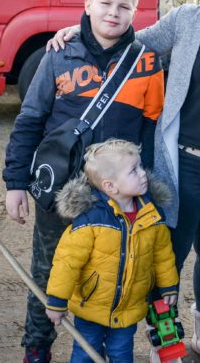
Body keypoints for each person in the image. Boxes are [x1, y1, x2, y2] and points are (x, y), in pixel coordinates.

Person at [48, 0, 200, 363]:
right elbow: (128, 41)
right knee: (168, 257)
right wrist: (82, 29)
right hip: (182, 164)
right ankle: (166, 344)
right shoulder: (186, 20)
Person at [3, 0, 165, 363]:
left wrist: (147, 190)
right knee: (48, 272)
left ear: (135, 12)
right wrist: (15, 182)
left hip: (116, 193)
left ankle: (109, 349)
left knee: (117, 271)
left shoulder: (147, 62)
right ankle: (37, 349)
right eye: (105, 3)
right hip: (60, 189)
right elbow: (30, 119)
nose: (114, 13)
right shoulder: (58, 53)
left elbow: (151, 134)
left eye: (124, 6)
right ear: (88, 5)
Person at [45, 139, 179, 363]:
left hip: (129, 307)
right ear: (110, 186)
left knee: (121, 354)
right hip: (91, 305)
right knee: (85, 353)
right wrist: (57, 301)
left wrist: (168, 286)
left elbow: (163, 256)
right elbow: (67, 263)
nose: (143, 173)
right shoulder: (90, 222)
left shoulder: (151, 216)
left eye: (141, 166)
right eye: (133, 171)